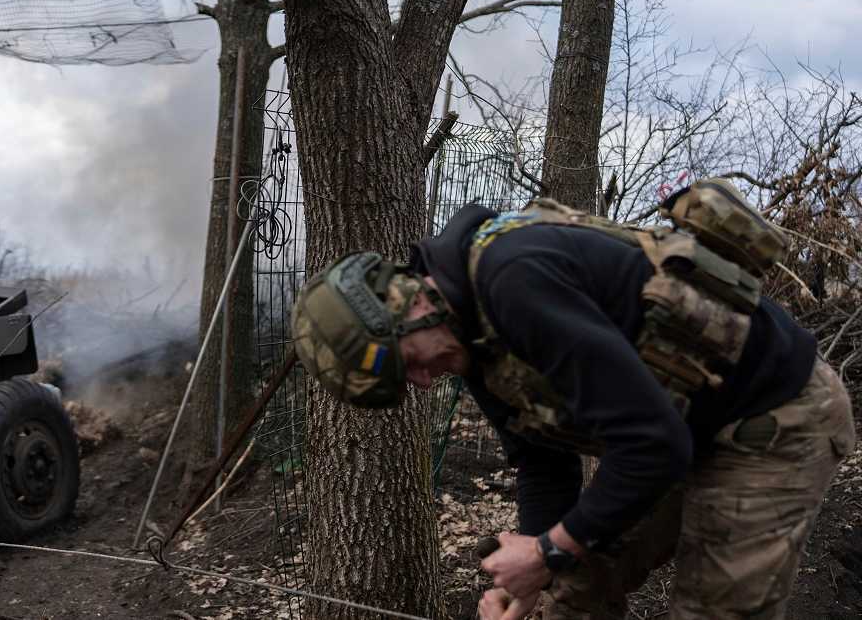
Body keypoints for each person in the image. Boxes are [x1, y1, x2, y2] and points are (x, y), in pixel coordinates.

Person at [290, 180, 856, 619]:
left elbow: (654, 446)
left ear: (408, 305)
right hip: (678, 423)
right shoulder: (471, 337)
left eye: (405, 363)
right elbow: (542, 460)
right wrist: (535, 576)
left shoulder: (514, 280)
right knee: (571, 595)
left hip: (773, 417)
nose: (421, 381)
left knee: (714, 607)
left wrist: (543, 553)